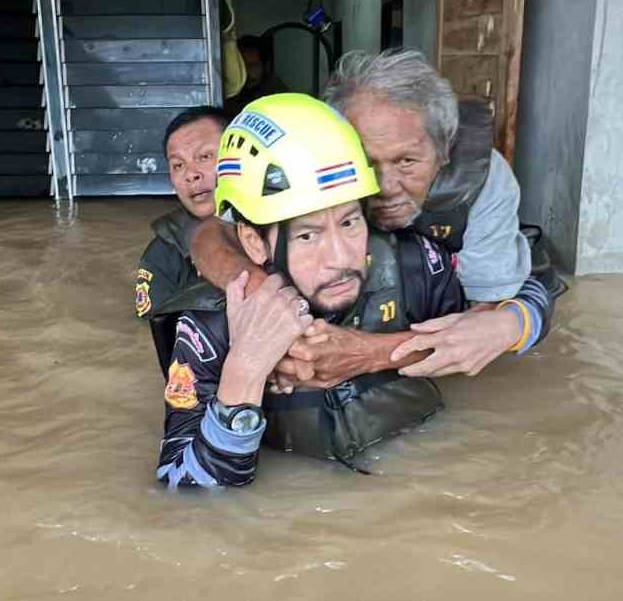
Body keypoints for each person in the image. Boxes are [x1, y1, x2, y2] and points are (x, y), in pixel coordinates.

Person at [155, 94, 534, 487]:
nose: (340, 257)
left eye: (350, 223)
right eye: (307, 235)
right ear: (253, 242)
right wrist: (246, 370)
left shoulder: (414, 265)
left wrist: (371, 353)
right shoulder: (210, 325)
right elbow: (185, 493)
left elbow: (507, 308)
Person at [191, 49, 557, 383]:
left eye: (407, 161)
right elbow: (213, 234)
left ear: (443, 152)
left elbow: (482, 325)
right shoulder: (311, 158)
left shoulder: (482, 179)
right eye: (365, 161)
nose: (383, 186)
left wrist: (368, 354)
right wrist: (269, 300)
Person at [134, 106, 228, 322]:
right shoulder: (165, 253)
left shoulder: (278, 226)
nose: (191, 174)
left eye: (204, 156)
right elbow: (152, 334)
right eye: (178, 165)